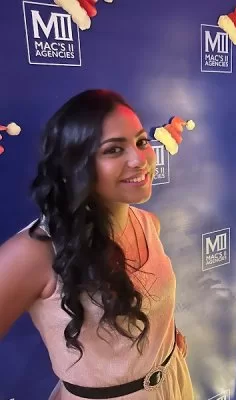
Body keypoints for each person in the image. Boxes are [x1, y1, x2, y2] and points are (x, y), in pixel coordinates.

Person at [0, 90, 194, 399]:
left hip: (174, 385)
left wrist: (164, 340)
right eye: (114, 149)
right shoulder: (36, 251)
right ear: (75, 163)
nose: (139, 160)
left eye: (141, 142)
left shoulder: (148, 224)